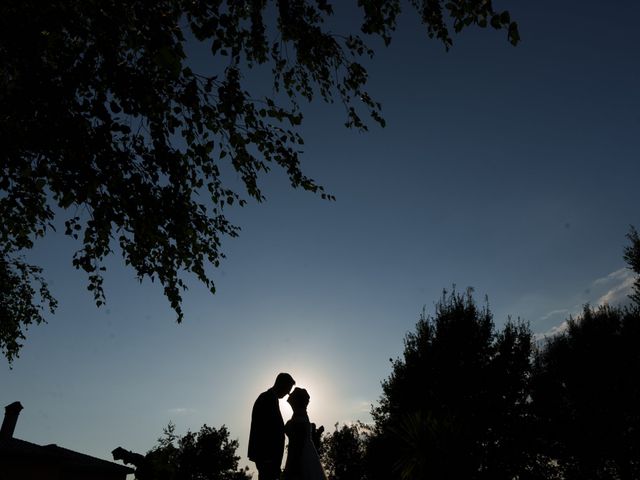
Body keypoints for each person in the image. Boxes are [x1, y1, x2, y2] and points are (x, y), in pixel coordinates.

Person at [248, 373, 296, 480]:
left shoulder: (270, 398)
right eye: (288, 389)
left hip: (269, 457)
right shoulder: (267, 398)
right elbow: (265, 429)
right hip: (267, 456)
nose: (287, 393)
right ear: (281, 384)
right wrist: (268, 458)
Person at [283, 387, 327, 480]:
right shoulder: (301, 415)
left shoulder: (299, 416)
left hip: (300, 454)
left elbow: (298, 438)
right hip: (305, 452)